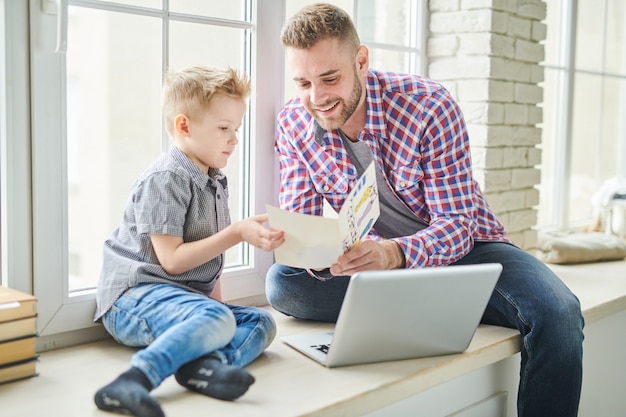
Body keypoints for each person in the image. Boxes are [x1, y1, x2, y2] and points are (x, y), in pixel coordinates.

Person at [265, 4, 584, 417]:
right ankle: (448, 303)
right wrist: (320, 253)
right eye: (303, 83)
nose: (317, 98)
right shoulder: (294, 123)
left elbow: (457, 226)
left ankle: (445, 296)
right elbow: (303, 232)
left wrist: (394, 255)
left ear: (361, 61)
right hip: (380, 262)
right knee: (284, 282)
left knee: (559, 313)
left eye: (330, 79)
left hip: (469, 250)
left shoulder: (427, 105)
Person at [93, 65, 285, 417]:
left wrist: (219, 308)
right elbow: (173, 261)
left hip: (181, 301)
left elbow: (205, 271)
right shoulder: (167, 177)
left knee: (260, 322)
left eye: (237, 129)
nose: (234, 140)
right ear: (184, 126)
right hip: (134, 298)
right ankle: (134, 379)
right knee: (218, 318)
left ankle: (202, 367)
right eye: (225, 129)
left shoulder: (212, 180)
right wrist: (236, 233)